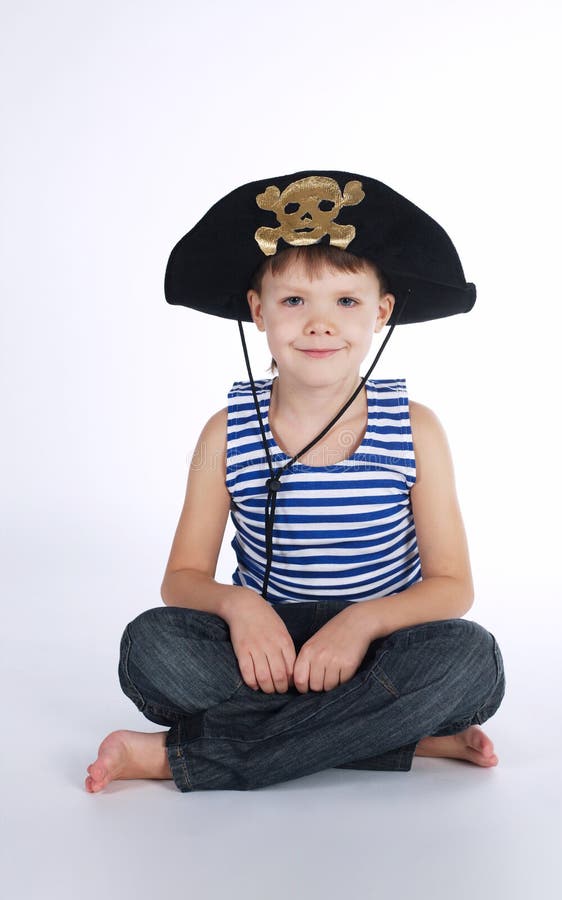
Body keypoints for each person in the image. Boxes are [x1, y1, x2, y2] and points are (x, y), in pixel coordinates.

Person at [86, 171, 506, 793]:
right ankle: (399, 737)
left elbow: (453, 587)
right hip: (266, 652)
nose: (319, 324)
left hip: (381, 648)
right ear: (258, 311)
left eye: (345, 301)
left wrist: (361, 623)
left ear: (381, 312)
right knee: (151, 648)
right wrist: (240, 606)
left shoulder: (417, 430)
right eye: (293, 301)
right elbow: (181, 578)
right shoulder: (222, 434)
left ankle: (179, 758)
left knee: (469, 659)